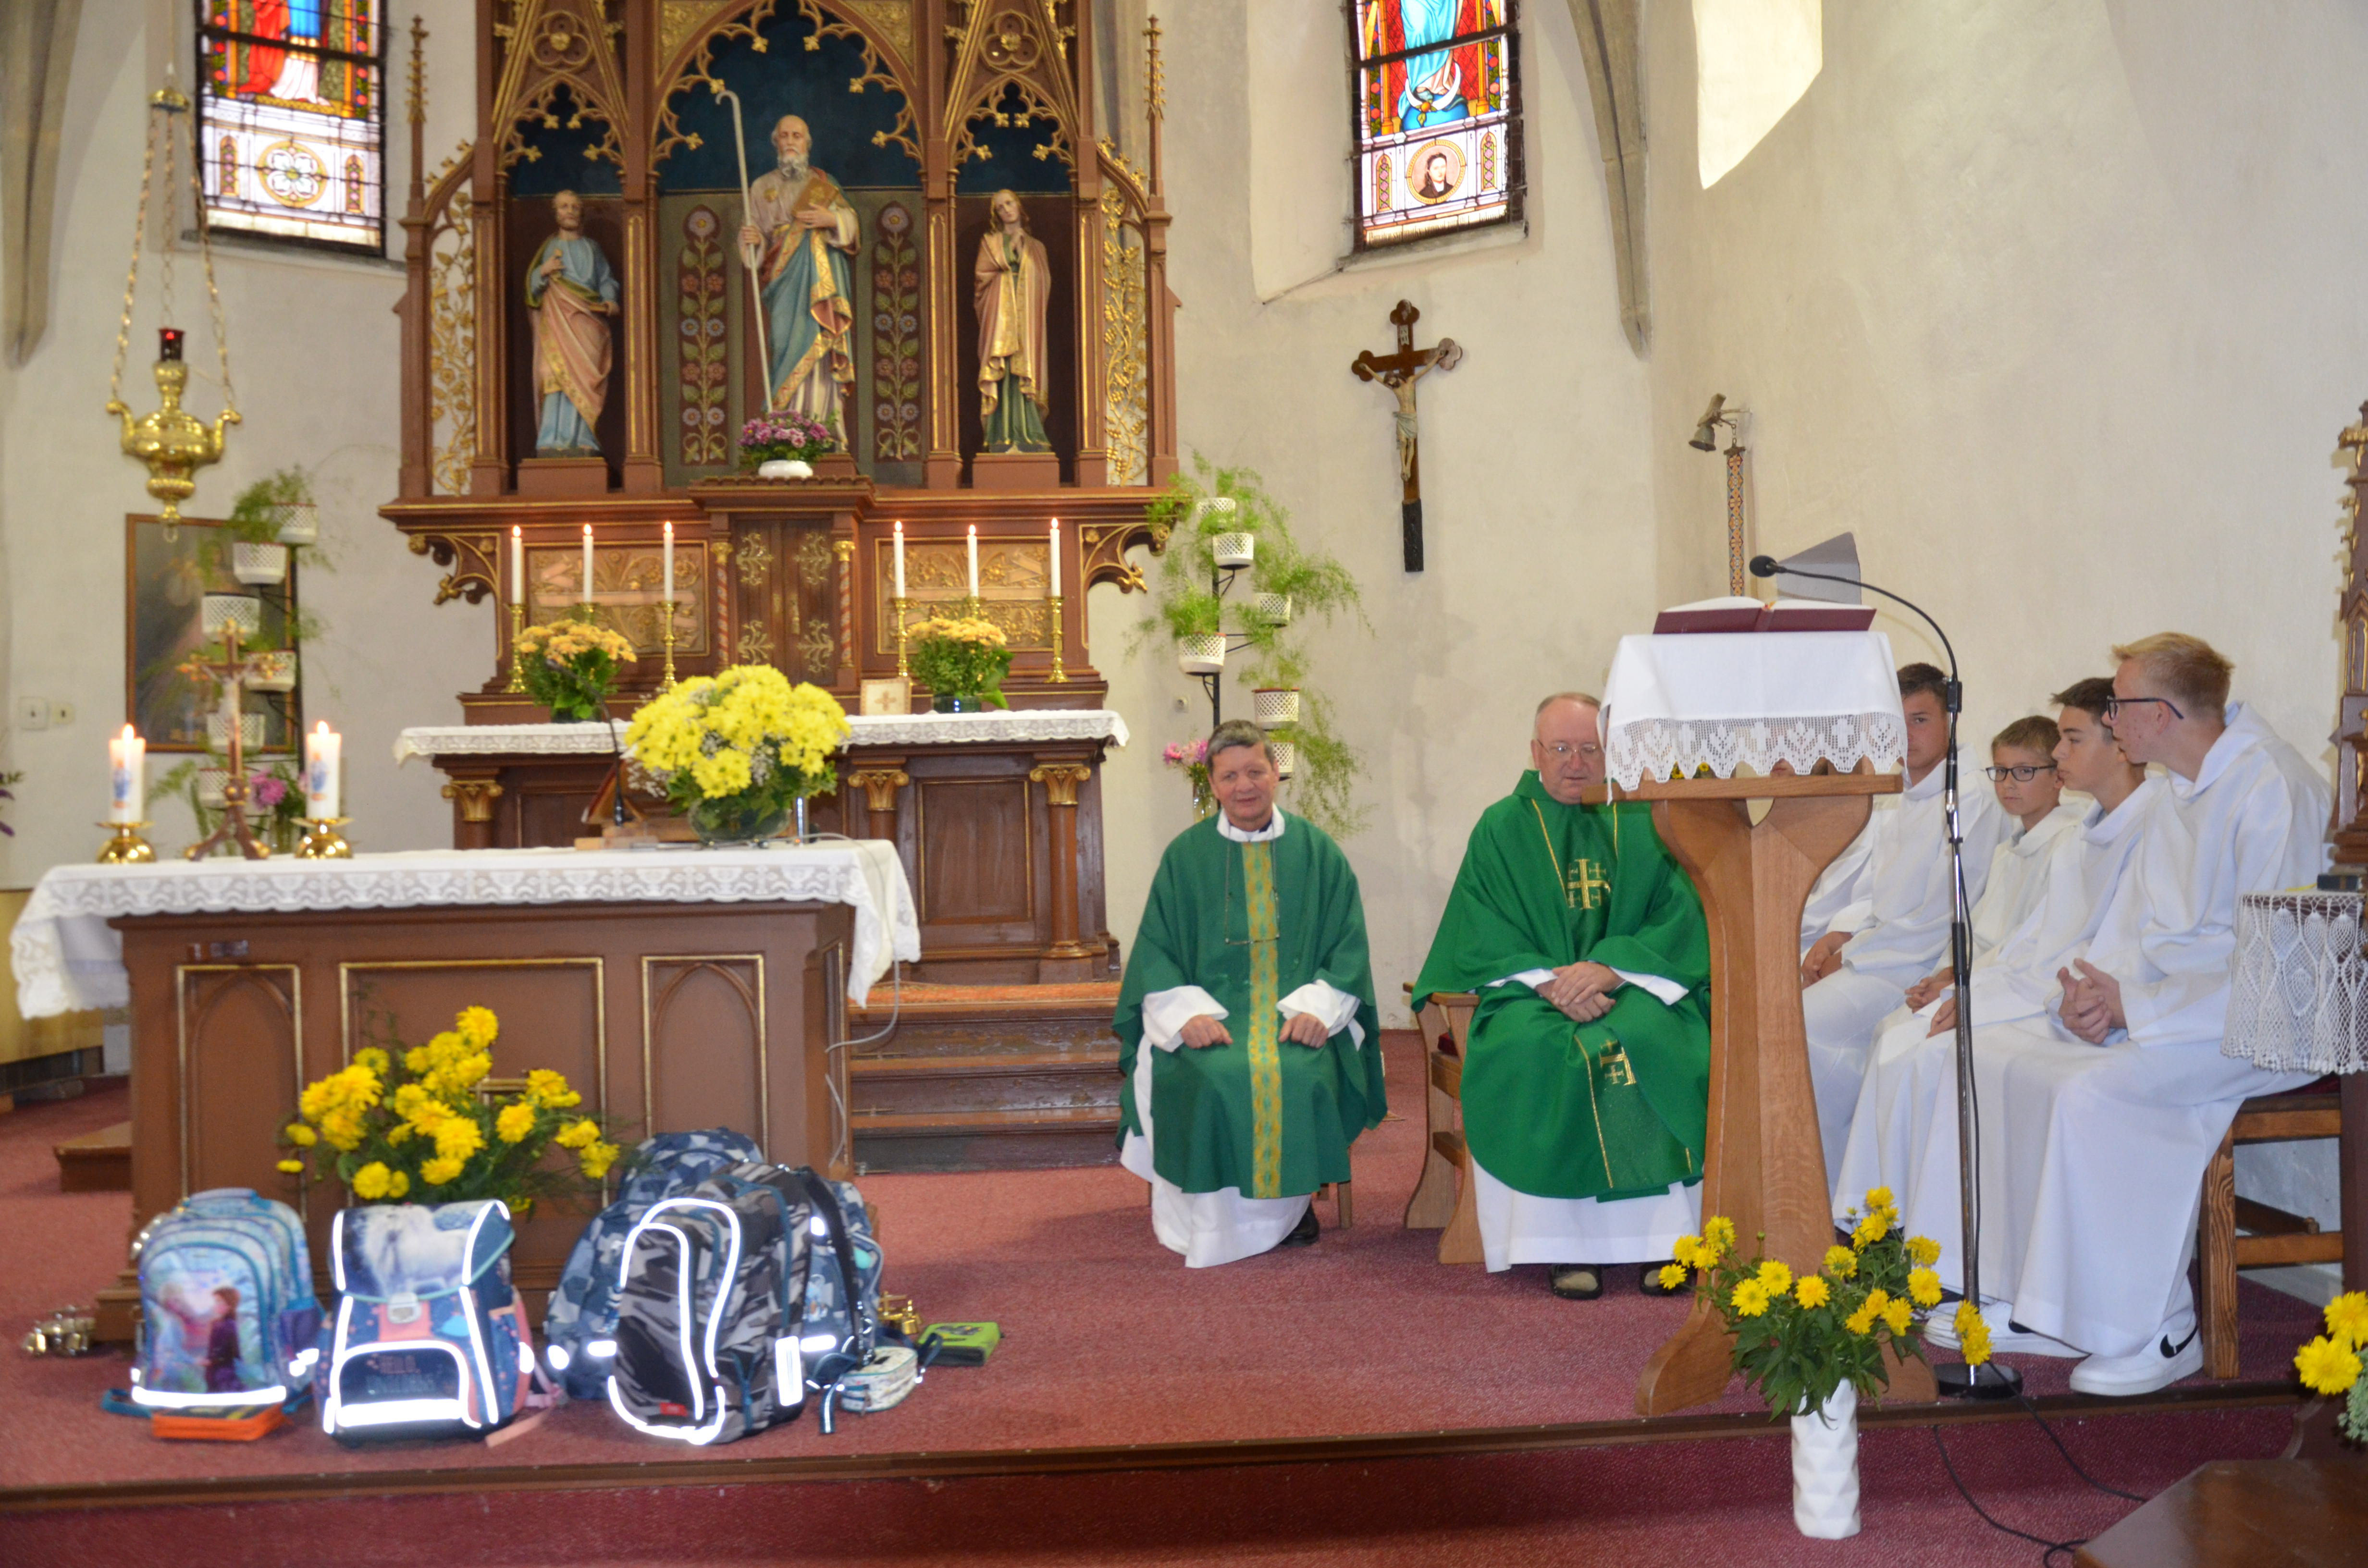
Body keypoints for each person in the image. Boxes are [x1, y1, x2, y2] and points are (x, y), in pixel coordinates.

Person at [1894, 637, 2326, 1396]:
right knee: (2004, 1060)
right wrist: (2094, 993)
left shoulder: (2271, 788)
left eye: (2118, 706)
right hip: (2180, 1010)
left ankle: (2158, 1325)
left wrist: (2140, 1007)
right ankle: (2043, 1301)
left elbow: (2281, 968)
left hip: (2260, 1023)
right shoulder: (2178, 790)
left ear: (2159, 714)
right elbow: (2135, 932)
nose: (2111, 719)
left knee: (2093, 1092)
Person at [1835, 678, 2160, 1266]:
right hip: (2040, 992)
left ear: (2120, 744)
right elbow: (2026, 946)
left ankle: (1949, 1253)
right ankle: (1885, 1228)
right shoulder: (2083, 838)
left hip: (2100, 1010)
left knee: (1939, 1053)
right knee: (1910, 1039)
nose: (2058, 754)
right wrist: (1964, 986)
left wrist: (1974, 997)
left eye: (2070, 740)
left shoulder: (2147, 828)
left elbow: (2096, 957)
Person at [1412, 694, 1711, 1299]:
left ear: (1610, 751)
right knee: (1535, 1051)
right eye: (1560, 748)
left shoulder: (1646, 819)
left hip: (1629, 984)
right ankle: (1562, 1246)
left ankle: (1666, 1244)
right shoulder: (1502, 827)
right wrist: (1549, 983)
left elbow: (1679, 915)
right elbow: (1482, 926)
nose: (1575, 763)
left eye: (1589, 749)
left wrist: (1609, 968)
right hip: (1531, 992)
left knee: (1653, 1039)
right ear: (1534, 752)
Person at [1115, 722, 1386, 1266]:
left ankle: (1292, 1202)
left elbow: (1348, 946)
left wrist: (1318, 1009)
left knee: (1297, 1071)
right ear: (1212, 785)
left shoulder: (1318, 852)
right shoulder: (1185, 856)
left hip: (1295, 1015)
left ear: (1276, 774)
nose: (1244, 786)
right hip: (1211, 1015)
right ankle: (1214, 1214)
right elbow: (1156, 950)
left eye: (1255, 772)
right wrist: (1184, 1014)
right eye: (1229, 776)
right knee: (1214, 1074)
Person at [1799, 664, 2009, 1174]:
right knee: (1787, 1019)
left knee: (1798, 1028)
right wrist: (1839, 936)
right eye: (1895, 722)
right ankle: (1817, 1178)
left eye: (1919, 720)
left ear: (1950, 720)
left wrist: (1851, 953)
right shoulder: (1907, 793)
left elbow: (1941, 917)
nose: (1906, 735)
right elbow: (1881, 894)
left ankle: (1831, 1187)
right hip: (1882, 955)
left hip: (1913, 968)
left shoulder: (1969, 800)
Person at [1892, 714, 2081, 1024]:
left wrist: (1959, 984)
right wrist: (1946, 974)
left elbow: (2027, 948)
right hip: (1978, 979)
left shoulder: (2068, 846)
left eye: (2024, 771)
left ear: (2058, 777)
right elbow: (1976, 930)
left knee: (1912, 1037)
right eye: (2000, 771)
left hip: (2018, 991)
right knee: (1894, 1026)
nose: (2008, 784)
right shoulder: (2007, 850)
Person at [738, 114, 858, 429]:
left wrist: (832, 221)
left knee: (821, 341)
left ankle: (823, 425)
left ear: (807, 143)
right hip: (783, 277)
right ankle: (786, 424)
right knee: (783, 343)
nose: (791, 142)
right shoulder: (761, 186)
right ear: (776, 143)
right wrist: (753, 241)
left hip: (821, 279)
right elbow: (755, 234)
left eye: (797, 136)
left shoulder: (825, 184)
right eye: (785, 136)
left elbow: (851, 224)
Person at [524, 190, 619, 457]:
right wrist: (543, 272)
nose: (570, 212)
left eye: (575, 207)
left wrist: (610, 300)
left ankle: (584, 437)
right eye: (564, 207)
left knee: (586, 379)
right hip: (556, 321)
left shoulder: (592, 248)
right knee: (552, 373)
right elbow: (531, 290)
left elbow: (605, 279)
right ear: (556, 213)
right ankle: (550, 438)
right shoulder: (549, 248)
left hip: (588, 321)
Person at [974, 190, 1053, 454]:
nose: (1006, 210)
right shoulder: (990, 242)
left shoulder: (1038, 247)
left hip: (1027, 318)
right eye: (1000, 207)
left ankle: (1029, 432)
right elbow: (982, 276)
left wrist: (1024, 255)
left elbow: (1044, 282)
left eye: (1009, 203)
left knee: (1025, 369)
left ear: (1019, 206)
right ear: (996, 214)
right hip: (1000, 316)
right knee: (1003, 370)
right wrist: (1011, 250)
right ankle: (1000, 434)